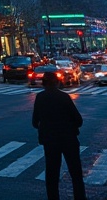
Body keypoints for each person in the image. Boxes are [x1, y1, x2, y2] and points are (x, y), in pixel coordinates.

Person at [31, 70, 87, 200]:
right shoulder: (64, 97)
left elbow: (35, 122)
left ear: (44, 84)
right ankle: (80, 197)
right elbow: (78, 120)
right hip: (68, 138)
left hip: (50, 140)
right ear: (57, 83)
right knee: (75, 172)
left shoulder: (40, 98)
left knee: (52, 172)